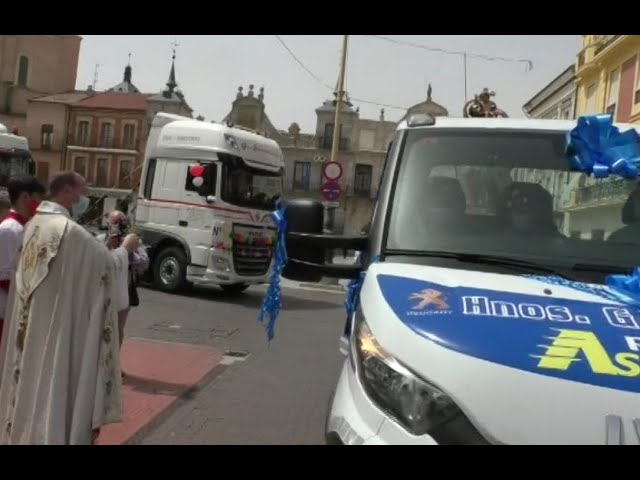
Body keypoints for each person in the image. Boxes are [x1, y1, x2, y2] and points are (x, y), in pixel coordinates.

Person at [0, 171, 139, 445]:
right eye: (83, 192)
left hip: (32, 331)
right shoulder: (71, 234)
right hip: (59, 334)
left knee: (26, 389)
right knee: (53, 387)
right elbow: (106, 267)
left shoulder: (34, 225)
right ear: (67, 192)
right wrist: (124, 248)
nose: (85, 198)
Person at [0, 176, 46, 345]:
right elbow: (3, 275)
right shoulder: (10, 230)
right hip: (5, 310)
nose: (40, 204)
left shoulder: (24, 227)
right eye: (38, 199)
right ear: (25, 197)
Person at [99, 210, 149, 352]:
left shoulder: (132, 241)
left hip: (124, 287)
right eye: (114, 223)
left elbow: (144, 264)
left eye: (120, 224)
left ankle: (115, 363)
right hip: (104, 286)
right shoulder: (101, 238)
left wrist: (127, 250)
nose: (117, 228)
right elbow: (96, 259)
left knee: (118, 327)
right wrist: (108, 245)